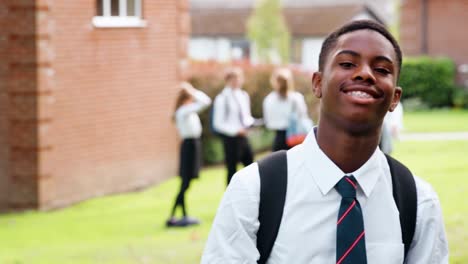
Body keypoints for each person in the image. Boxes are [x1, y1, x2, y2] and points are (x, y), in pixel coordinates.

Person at [201, 20, 448, 263]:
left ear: (395, 98)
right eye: (348, 63)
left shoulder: (418, 202)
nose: (365, 73)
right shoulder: (253, 189)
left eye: (382, 69)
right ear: (318, 83)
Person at [166, 82, 211, 227]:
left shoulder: (186, 111)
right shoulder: (183, 111)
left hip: (194, 145)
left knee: (186, 183)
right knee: (185, 182)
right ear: (187, 98)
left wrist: (192, 90)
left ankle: (179, 214)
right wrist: (193, 91)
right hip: (189, 146)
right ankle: (175, 215)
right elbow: (206, 102)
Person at [212, 67, 255, 185]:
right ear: (227, 80)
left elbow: (246, 117)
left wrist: (252, 124)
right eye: (233, 79)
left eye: (239, 78)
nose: (237, 81)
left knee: (251, 166)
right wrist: (236, 131)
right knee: (232, 170)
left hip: (243, 137)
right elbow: (218, 124)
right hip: (230, 139)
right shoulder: (222, 98)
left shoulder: (243, 95)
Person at [263, 68, 309, 151]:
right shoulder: (297, 98)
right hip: (296, 137)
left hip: (279, 138)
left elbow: (268, 122)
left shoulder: (269, 99)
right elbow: (303, 116)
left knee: (279, 163)